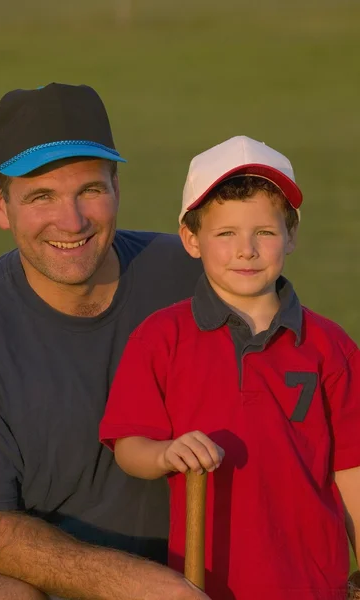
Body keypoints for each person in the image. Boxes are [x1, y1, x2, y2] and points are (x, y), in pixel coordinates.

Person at [0, 83, 209, 600]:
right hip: (56, 584)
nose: (71, 222)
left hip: (198, 576)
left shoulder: (195, 279)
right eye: (41, 196)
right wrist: (146, 587)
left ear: (117, 186)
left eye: (89, 190)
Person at [100, 135, 360, 600]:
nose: (247, 250)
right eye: (225, 234)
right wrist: (164, 454)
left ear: (291, 235)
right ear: (191, 240)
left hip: (315, 585)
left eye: (264, 232)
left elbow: (353, 472)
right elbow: (127, 445)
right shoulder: (161, 337)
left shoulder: (331, 346)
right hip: (205, 584)